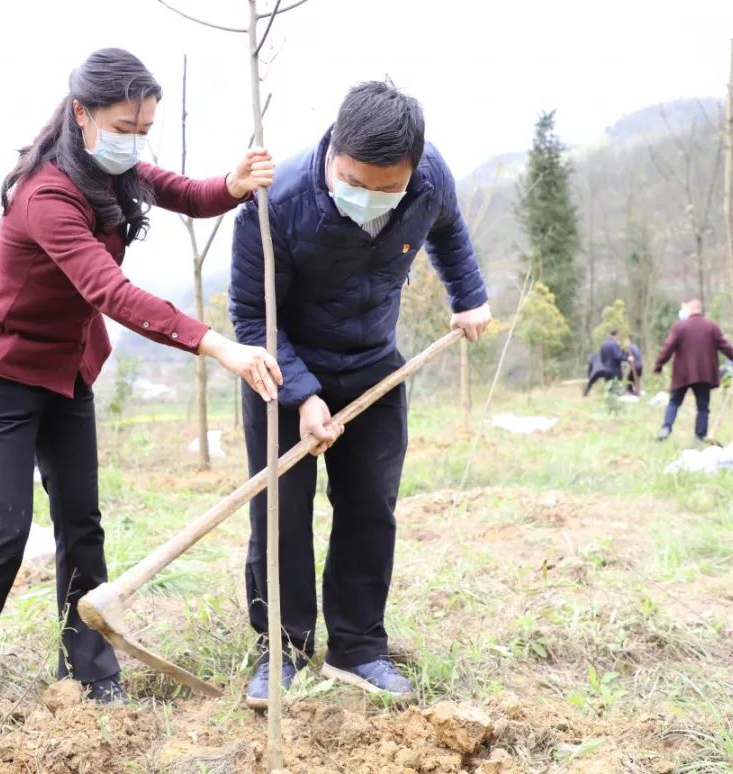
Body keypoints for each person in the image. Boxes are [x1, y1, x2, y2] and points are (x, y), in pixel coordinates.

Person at [0, 48, 279, 738]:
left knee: (82, 522)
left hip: (69, 371)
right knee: (3, 531)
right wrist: (218, 345)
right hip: (3, 373)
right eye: (123, 124)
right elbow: (108, 290)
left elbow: (189, 194)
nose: (134, 140)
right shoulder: (47, 194)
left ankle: (89, 670)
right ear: (81, 114)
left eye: (144, 127)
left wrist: (232, 182)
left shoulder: (115, 169)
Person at [230, 81, 490, 706]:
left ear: (411, 168)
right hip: (281, 372)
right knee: (281, 516)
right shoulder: (276, 201)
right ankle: (284, 650)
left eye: (385, 188)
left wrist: (469, 296)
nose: (369, 198)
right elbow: (249, 316)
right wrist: (302, 395)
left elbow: (448, 232)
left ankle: (358, 647)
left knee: (371, 508)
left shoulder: (429, 179)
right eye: (354, 180)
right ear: (333, 153)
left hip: (375, 366)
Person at [653, 298, 733, 441]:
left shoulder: (679, 327)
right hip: (704, 374)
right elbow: (725, 346)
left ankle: (666, 427)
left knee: (674, 402)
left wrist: (659, 364)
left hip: (682, 374)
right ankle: (699, 436)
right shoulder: (711, 327)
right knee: (703, 407)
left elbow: (668, 347)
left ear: (690, 309)